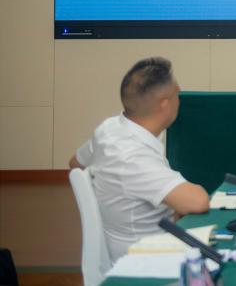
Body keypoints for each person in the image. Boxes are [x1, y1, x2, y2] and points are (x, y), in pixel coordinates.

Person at [69, 57, 209, 262]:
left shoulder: (109, 129)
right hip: (147, 257)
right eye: (177, 95)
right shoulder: (132, 159)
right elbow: (198, 202)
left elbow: (76, 163)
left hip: (133, 245)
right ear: (165, 104)